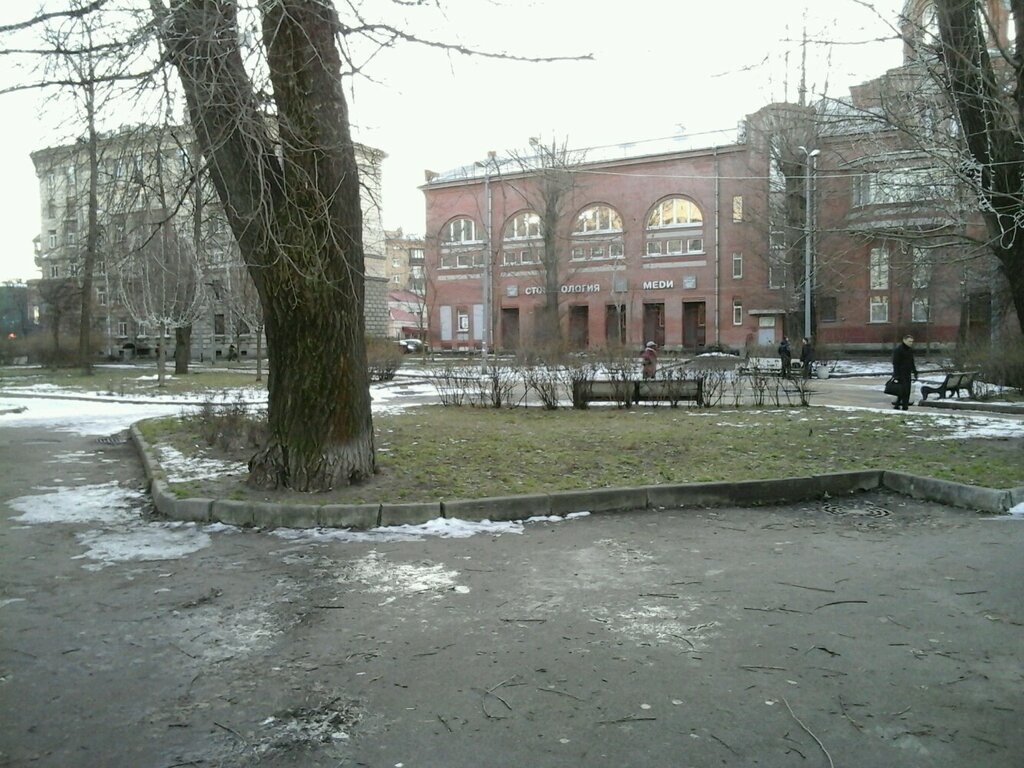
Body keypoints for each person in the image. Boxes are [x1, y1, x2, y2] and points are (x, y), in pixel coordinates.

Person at [891, 334, 918, 410]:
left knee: (906, 390)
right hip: (900, 373)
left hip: (907, 373)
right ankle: (903, 406)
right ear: (904, 340)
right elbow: (895, 363)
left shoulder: (910, 350)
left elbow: (911, 361)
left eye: (912, 342)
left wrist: (915, 371)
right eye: (909, 341)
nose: (911, 343)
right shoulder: (898, 350)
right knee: (902, 390)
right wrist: (896, 375)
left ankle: (900, 405)